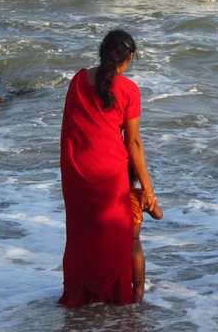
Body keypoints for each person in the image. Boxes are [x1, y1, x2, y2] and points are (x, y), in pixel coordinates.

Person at [59, 30, 158, 307]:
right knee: (116, 236)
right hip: (111, 174)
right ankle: (117, 300)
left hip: (77, 173)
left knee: (82, 236)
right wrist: (148, 189)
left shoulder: (78, 81)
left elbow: (70, 131)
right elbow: (134, 143)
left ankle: (80, 298)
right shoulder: (128, 90)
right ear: (128, 59)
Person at [128, 168, 163, 302]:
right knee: (138, 285)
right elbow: (159, 215)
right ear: (136, 178)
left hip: (113, 246)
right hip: (134, 249)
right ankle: (135, 312)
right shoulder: (138, 195)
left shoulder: (111, 195)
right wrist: (150, 198)